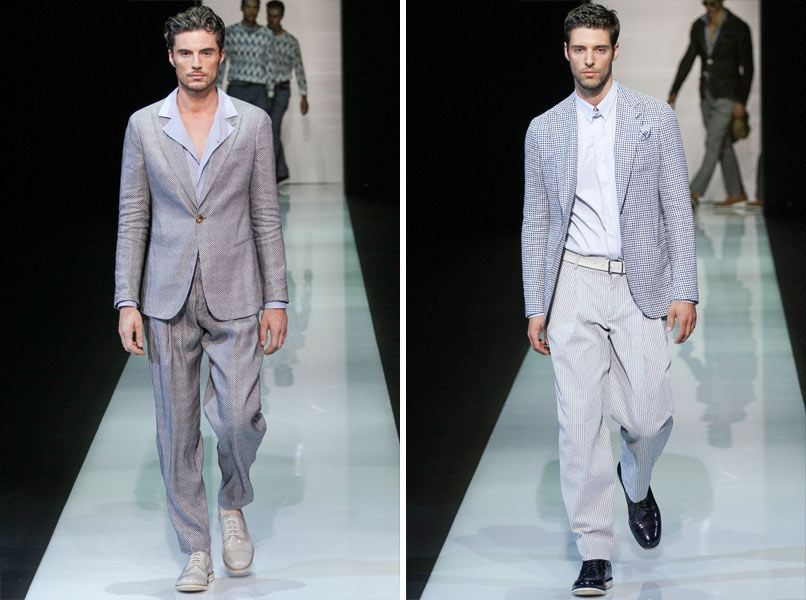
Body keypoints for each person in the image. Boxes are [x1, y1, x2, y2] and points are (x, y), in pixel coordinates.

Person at [522, 4, 698, 596]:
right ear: (566, 52)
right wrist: (536, 303)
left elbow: (677, 207)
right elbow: (536, 220)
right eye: (579, 49)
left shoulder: (654, 118)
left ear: (615, 50)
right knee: (579, 425)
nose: (589, 59)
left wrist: (685, 288)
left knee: (649, 417)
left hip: (638, 282)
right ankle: (594, 550)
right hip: (573, 282)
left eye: (599, 48)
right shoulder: (544, 129)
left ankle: (636, 483)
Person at [114, 6, 288, 592]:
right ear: (171, 56)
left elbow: (266, 213)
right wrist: (126, 300)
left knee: (238, 418)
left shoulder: (252, 123)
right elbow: (133, 216)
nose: (195, 63)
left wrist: (277, 298)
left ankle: (232, 502)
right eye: (185, 52)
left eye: (206, 52)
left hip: (236, 288)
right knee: (176, 429)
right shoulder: (144, 125)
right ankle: (196, 548)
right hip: (165, 294)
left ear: (221, 55)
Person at [668, 0, 753, 209]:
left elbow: (748, 67)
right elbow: (688, 59)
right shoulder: (699, 26)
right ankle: (737, 193)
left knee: (713, 141)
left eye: (712, 3)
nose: (708, 7)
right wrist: (675, 90)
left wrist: (742, 100)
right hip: (706, 94)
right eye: (706, 3)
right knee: (722, 143)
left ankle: (693, 191)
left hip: (728, 95)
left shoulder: (738, 27)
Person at [265, 0, 309, 185]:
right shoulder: (261, 37)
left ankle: (270, 176)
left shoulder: (291, 41)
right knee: (269, 130)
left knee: (272, 129)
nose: (272, 20)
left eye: (275, 16)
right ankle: (281, 171)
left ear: (282, 17)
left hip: (282, 90)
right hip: (263, 89)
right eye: (269, 16)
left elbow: (299, 68)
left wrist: (304, 96)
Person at [217, 0, 273, 115]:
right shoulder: (231, 32)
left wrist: (271, 93)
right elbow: (222, 62)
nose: (251, 11)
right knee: (234, 124)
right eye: (248, 7)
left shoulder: (267, 34)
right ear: (242, 8)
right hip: (237, 87)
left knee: (260, 125)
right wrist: (217, 90)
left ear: (258, 9)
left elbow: (270, 64)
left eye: (254, 7)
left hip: (259, 89)